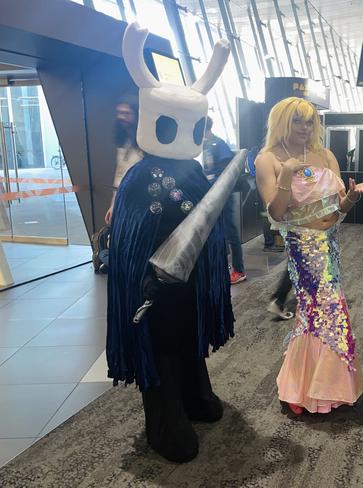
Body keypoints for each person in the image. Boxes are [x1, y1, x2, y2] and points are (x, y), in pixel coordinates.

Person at [107, 24, 234, 462]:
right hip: (154, 288)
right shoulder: (139, 178)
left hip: (191, 282)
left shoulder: (194, 172)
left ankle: (196, 394)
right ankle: (164, 421)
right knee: (162, 345)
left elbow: (208, 227)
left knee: (187, 339)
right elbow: (128, 242)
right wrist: (144, 280)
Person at [255, 97, 363, 414]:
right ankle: (309, 389)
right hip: (302, 246)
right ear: (281, 122)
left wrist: (351, 200)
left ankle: (314, 387)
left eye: (309, 121)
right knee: (326, 309)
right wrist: (285, 176)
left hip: (328, 243)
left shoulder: (325, 154)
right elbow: (275, 214)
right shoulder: (268, 159)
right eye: (297, 121)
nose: (305, 128)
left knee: (322, 312)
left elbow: (337, 207)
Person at [203, 116, 246, 284]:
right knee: (218, 232)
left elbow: (228, 170)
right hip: (212, 195)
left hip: (223, 196)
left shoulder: (218, 144)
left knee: (230, 232)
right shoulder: (206, 145)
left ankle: (239, 269)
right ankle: (222, 268)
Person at [105, 95, 143, 224]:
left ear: (137, 114)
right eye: (119, 113)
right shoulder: (124, 140)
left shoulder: (146, 143)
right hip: (124, 202)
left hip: (141, 205)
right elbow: (120, 174)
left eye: (126, 113)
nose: (121, 117)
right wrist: (113, 205)